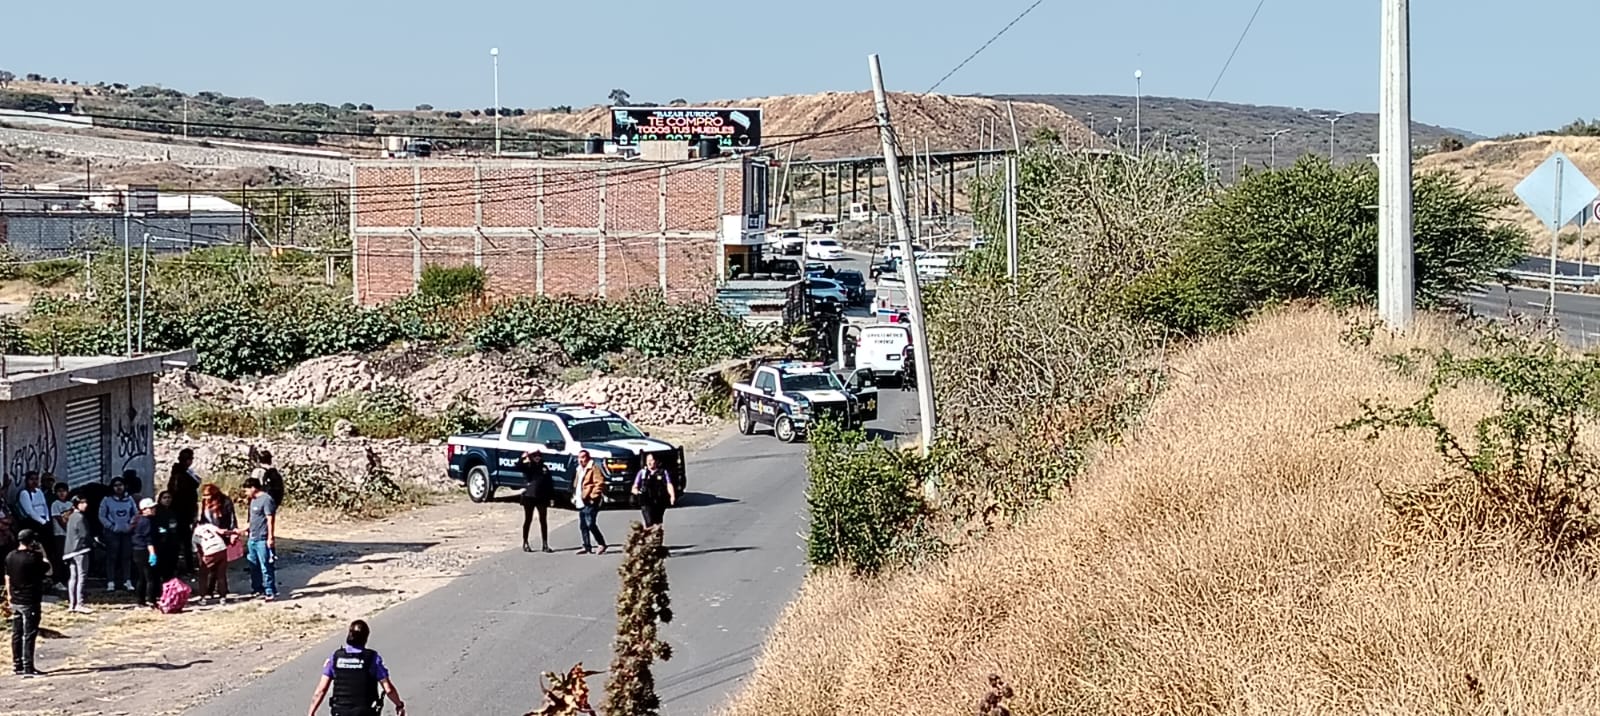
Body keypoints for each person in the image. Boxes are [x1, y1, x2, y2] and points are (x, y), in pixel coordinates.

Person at [305, 619, 406, 716]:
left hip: (340, 712)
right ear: (366, 638)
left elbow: (321, 690)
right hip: (365, 712)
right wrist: (399, 705)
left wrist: (311, 712)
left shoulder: (335, 658)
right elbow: (388, 689)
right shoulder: (372, 658)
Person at [4, 528, 49, 677]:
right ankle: (28, 667)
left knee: (16, 633)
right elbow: (49, 570)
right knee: (29, 634)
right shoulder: (34, 557)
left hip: (16, 599)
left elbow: (7, 577)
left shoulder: (10, 556)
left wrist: (9, 595)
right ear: (32, 541)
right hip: (30, 600)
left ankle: (17, 664)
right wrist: (43, 552)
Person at [241, 477, 278, 601]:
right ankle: (257, 589)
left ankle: (270, 590)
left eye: (246, 490)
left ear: (253, 488)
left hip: (262, 538)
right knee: (253, 565)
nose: (246, 493)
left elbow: (270, 519)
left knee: (265, 565)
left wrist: (270, 537)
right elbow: (252, 520)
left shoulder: (266, 500)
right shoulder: (252, 500)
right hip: (252, 538)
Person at [97, 478, 137, 592]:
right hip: (112, 533)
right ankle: (110, 581)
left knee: (126, 557)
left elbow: (135, 513)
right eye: (116, 485)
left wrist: (131, 525)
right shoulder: (107, 500)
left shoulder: (129, 499)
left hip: (127, 533)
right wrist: (111, 526)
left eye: (121, 485)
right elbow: (102, 516)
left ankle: (127, 580)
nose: (118, 487)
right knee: (112, 557)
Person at [168, 449, 201, 574]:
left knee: (183, 541)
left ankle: (184, 566)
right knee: (183, 541)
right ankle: (185, 567)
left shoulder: (182, 473)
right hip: (182, 512)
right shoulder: (181, 475)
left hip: (182, 511)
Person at [61, 496, 92, 614]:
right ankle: (79, 602)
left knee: (73, 577)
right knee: (82, 576)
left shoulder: (71, 517)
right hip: (80, 550)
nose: (85, 505)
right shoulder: (80, 517)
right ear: (76, 504)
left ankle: (72, 603)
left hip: (69, 551)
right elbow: (84, 534)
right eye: (82, 502)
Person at [518, 450, 554, 554]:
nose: (537, 457)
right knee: (528, 520)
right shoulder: (528, 466)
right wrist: (523, 457)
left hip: (542, 497)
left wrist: (551, 497)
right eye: (535, 456)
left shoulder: (544, 468)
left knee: (543, 520)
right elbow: (518, 466)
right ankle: (525, 542)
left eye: (538, 456)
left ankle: (545, 544)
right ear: (532, 457)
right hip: (529, 497)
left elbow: (550, 484)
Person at [572, 451, 607, 555]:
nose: (581, 460)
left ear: (588, 458)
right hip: (581, 500)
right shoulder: (579, 469)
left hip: (590, 501)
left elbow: (599, 483)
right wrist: (574, 496)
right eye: (579, 457)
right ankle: (586, 546)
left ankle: (601, 543)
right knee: (583, 525)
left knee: (590, 523)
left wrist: (593, 496)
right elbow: (577, 484)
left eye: (583, 457)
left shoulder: (593, 468)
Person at [631, 453, 677, 530]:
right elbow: (634, 486)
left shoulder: (663, 472)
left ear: (656, 461)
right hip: (646, 501)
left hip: (659, 501)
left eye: (651, 460)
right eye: (648, 461)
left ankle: (656, 539)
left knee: (658, 522)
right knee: (649, 522)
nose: (649, 463)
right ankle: (649, 539)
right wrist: (637, 492)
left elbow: (669, 484)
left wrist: (672, 496)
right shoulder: (642, 473)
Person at [191, 520, 231, 604]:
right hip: (222, 548)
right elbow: (221, 532)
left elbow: (197, 552)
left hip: (210, 551)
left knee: (203, 575)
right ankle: (223, 597)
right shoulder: (209, 526)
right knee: (221, 575)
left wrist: (202, 561)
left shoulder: (194, 535)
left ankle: (202, 598)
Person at [151, 491, 184, 592]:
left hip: (172, 545)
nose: (167, 500)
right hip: (160, 545)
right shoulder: (157, 512)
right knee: (157, 571)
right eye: (164, 498)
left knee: (170, 570)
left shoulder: (174, 512)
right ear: (160, 500)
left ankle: (169, 591)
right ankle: (157, 591)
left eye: (169, 497)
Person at [130, 497, 159, 609]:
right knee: (150, 578)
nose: (154, 509)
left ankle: (140, 600)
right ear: (144, 509)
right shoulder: (146, 522)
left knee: (141, 577)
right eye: (151, 508)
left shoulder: (136, 519)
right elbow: (149, 540)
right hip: (145, 551)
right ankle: (151, 600)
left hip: (136, 550)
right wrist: (152, 554)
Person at [47, 482, 72, 591]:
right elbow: (59, 520)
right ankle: (58, 580)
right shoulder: (55, 504)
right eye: (59, 491)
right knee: (59, 557)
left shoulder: (70, 504)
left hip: (69, 535)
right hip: (59, 534)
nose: (62, 493)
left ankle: (67, 579)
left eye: (64, 491)